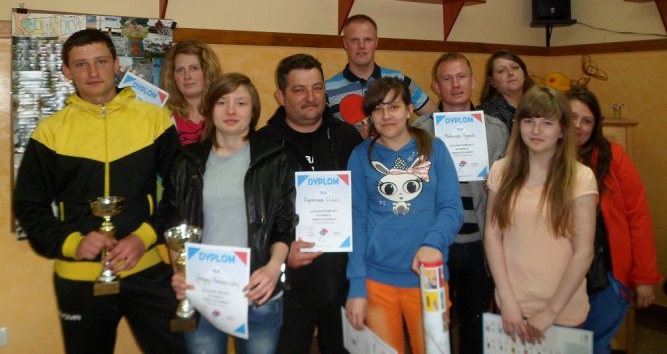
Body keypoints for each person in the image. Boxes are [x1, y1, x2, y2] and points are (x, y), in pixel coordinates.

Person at [13, 29, 185, 354]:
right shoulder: (49, 133)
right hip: (79, 280)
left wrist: (144, 237)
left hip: (145, 269)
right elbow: (29, 206)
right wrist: (73, 243)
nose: (93, 72)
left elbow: (182, 191)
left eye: (101, 61)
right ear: (67, 71)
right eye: (81, 64)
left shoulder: (155, 120)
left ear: (116, 64)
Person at [167, 73, 297, 353]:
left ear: (253, 111)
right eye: (222, 102)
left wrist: (274, 268)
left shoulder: (276, 159)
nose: (231, 111)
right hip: (202, 291)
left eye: (241, 103)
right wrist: (179, 271)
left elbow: (285, 224)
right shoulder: (186, 162)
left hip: (259, 290)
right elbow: (175, 225)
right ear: (209, 109)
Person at [345, 77, 463, 354]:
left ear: (409, 110)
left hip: (428, 279)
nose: (386, 115)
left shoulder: (436, 149)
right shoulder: (359, 156)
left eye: (394, 107)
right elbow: (356, 221)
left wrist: (433, 243)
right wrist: (357, 285)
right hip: (376, 282)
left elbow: (451, 208)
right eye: (378, 109)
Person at [255, 54, 362, 354]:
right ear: (280, 96)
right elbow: (255, 215)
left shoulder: (347, 137)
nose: (311, 97)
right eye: (299, 90)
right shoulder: (262, 145)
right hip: (289, 281)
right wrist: (280, 252)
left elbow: (364, 202)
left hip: (343, 278)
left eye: (317, 88)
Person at [484, 85, 597, 344]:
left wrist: (551, 312)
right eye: (529, 121)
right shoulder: (501, 171)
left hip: (564, 310)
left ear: (562, 130)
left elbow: (583, 251)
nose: (536, 130)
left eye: (547, 123)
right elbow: (492, 235)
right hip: (511, 306)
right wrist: (507, 300)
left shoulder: (581, 177)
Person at [413, 52, 508, 354]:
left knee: (475, 324)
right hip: (436, 242)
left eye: (461, 76)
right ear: (436, 86)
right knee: (433, 323)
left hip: (480, 242)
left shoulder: (496, 130)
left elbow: (510, 188)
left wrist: (497, 183)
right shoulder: (419, 131)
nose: (455, 84)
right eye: (447, 78)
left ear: (473, 81)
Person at [568, 88, 660, 354]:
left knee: (593, 345)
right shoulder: (545, 158)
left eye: (587, 121)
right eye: (572, 117)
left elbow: (638, 217)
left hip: (608, 279)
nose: (578, 126)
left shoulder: (613, 156)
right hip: (562, 278)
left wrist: (644, 277)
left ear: (596, 126)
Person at [325, 14, 436, 137]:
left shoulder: (399, 79)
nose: (361, 46)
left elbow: (435, 117)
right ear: (345, 43)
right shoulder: (327, 89)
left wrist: (412, 137)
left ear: (376, 42)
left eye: (368, 39)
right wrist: (354, 136)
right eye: (354, 40)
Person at [161, 40, 222, 145]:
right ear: (172, 76)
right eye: (180, 70)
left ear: (208, 71)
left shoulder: (225, 110)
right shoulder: (161, 115)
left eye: (194, 68)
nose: (187, 76)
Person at [478, 50, 534, 134]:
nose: (510, 73)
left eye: (515, 67)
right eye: (501, 71)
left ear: (524, 74)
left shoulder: (541, 104)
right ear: (492, 81)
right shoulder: (486, 114)